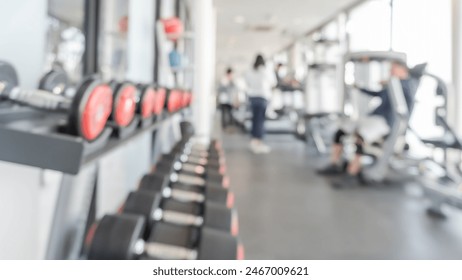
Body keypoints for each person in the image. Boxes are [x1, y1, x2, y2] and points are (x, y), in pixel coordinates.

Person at [318, 60, 417, 185]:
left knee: (360, 137)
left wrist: (392, 82)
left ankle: (351, 173)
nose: (390, 71)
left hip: (386, 122)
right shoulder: (392, 83)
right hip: (373, 117)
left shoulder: (408, 84)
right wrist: (359, 87)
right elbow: (377, 93)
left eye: (393, 69)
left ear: (403, 69)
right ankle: (335, 164)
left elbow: (406, 94)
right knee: (340, 132)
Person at [244, 54, 276, 154]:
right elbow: (273, 83)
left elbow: (247, 83)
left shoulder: (250, 71)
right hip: (262, 97)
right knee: (260, 121)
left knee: (255, 120)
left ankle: (254, 141)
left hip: (253, 97)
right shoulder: (266, 71)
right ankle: (258, 142)